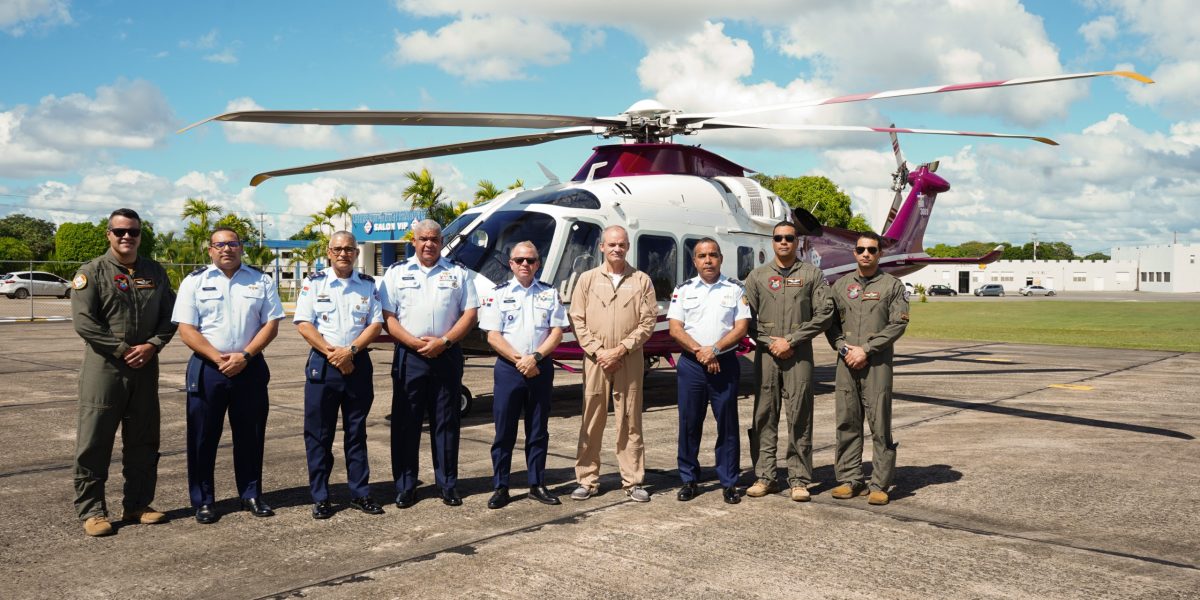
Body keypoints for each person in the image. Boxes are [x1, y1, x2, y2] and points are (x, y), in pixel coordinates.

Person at [70, 208, 177, 537]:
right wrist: (121, 349)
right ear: (109, 234)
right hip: (105, 369)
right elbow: (85, 322)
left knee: (144, 439)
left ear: (140, 234)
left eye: (133, 231)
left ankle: (137, 504)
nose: (126, 236)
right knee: (94, 441)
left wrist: (153, 345)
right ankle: (92, 511)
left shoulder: (154, 272)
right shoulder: (92, 272)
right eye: (119, 231)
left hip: (145, 367)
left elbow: (171, 315)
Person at [172, 227, 285, 524]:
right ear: (209, 250)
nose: (227, 249)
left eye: (232, 244)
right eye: (220, 245)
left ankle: (250, 494)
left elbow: (271, 324)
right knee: (202, 437)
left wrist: (245, 356)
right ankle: (204, 501)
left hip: (249, 367)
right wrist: (217, 357)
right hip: (209, 368)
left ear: (241, 247)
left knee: (251, 435)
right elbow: (186, 328)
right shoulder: (194, 281)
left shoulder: (260, 280)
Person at [378, 219, 478, 508]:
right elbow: (388, 317)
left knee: (446, 422)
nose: (428, 244)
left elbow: (469, 315)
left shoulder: (458, 273)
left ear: (441, 241)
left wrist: (444, 342)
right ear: (414, 241)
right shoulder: (397, 273)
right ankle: (406, 486)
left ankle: (447, 484)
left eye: (434, 239)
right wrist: (412, 342)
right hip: (410, 356)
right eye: (423, 239)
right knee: (406, 422)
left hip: (446, 355)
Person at [294, 232, 385, 519]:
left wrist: (351, 352)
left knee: (356, 433)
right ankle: (321, 497)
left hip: (357, 365)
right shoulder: (314, 283)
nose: (344, 253)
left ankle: (360, 493)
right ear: (329, 252)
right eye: (338, 249)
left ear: (357, 253)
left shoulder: (368, 285)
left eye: (349, 249)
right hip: (324, 366)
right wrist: (334, 354)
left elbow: (376, 323)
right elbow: (304, 324)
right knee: (319, 435)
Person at [743, 221, 833, 502]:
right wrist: (771, 343)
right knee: (764, 415)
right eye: (779, 238)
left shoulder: (812, 275)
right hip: (767, 354)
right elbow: (746, 320)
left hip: (799, 354)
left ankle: (799, 479)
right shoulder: (757, 276)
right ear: (773, 242)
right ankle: (765, 476)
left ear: (796, 242)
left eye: (789, 238)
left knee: (800, 416)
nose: (784, 242)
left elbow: (825, 313)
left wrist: (791, 340)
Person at [567, 225, 658, 502]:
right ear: (601, 247)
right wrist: (598, 351)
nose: (617, 248)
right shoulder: (587, 279)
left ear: (628, 247)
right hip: (595, 361)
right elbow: (577, 319)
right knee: (591, 418)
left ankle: (633, 481)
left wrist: (620, 350)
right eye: (612, 244)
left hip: (628, 359)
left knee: (630, 420)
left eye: (622, 244)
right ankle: (587, 479)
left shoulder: (641, 280)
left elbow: (648, 321)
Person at [478, 241, 568, 509]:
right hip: (510, 369)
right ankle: (501, 486)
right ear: (511, 263)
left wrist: (535, 358)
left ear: (538, 264)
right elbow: (492, 335)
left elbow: (557, 332)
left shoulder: (550, 293)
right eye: (519, 260)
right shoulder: (498, 294)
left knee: (538, 430)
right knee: (504, 431)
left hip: (540, 367)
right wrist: (520, 360)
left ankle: (536, 484)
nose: (525, 265)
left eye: (530, 260)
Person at [826, 231, 909, 505]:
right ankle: (851, 480)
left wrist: (867, 349)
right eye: (861, 249)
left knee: (879, 424)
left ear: (879, 253)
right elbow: (830, 323)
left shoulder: (892, 286)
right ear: (854, 252)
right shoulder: (840, 286)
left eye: (872, 250)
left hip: (877, 363)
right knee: (847, 421)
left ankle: (880, 484)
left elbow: (897, 323)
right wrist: (842, 347)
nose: (866, 254)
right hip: (846, 361)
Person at [667, 239, 750, 504]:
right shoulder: (683, 289)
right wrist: (701, 352)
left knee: (727, 424)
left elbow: (741, 328)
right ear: (695, 261)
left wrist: (713, 350)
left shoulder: (735, 289)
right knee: (689, 423)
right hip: (692, 365)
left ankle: (729, 482)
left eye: (713, 255)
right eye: (702, 256)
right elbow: (675, 328)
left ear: (721, 258)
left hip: (724, 362)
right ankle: (689, 479)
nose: (708, 260)